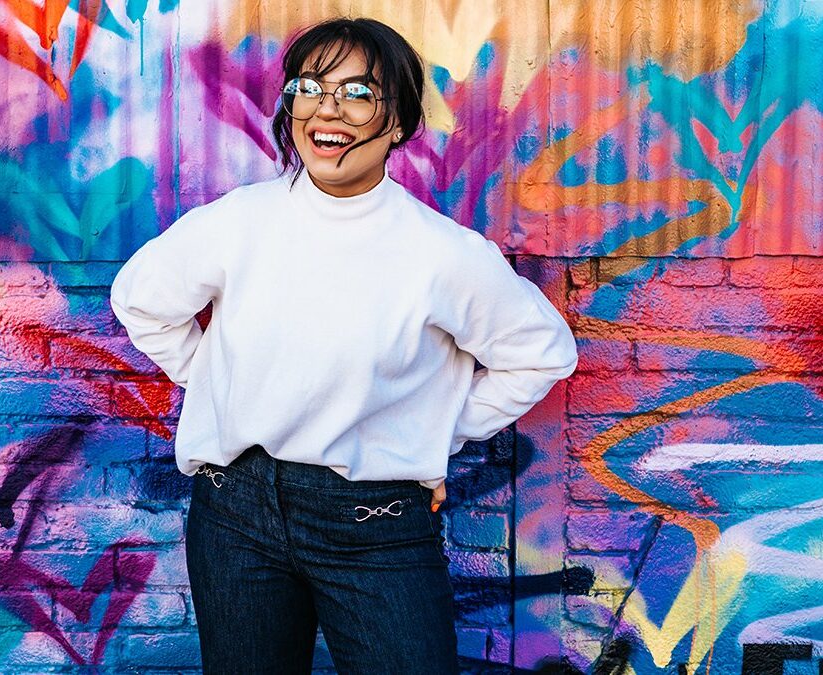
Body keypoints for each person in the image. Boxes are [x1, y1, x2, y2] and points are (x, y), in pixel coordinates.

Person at [110, 17, 578, 675]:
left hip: (375, 523)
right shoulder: (239, 222)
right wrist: (222, 387)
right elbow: (142, 299)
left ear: (398, 123)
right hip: (234, 515)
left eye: (358, 93)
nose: (327, 110)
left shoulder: (441, 253)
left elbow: (541, 352)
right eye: (309, 87)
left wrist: (434, 432)